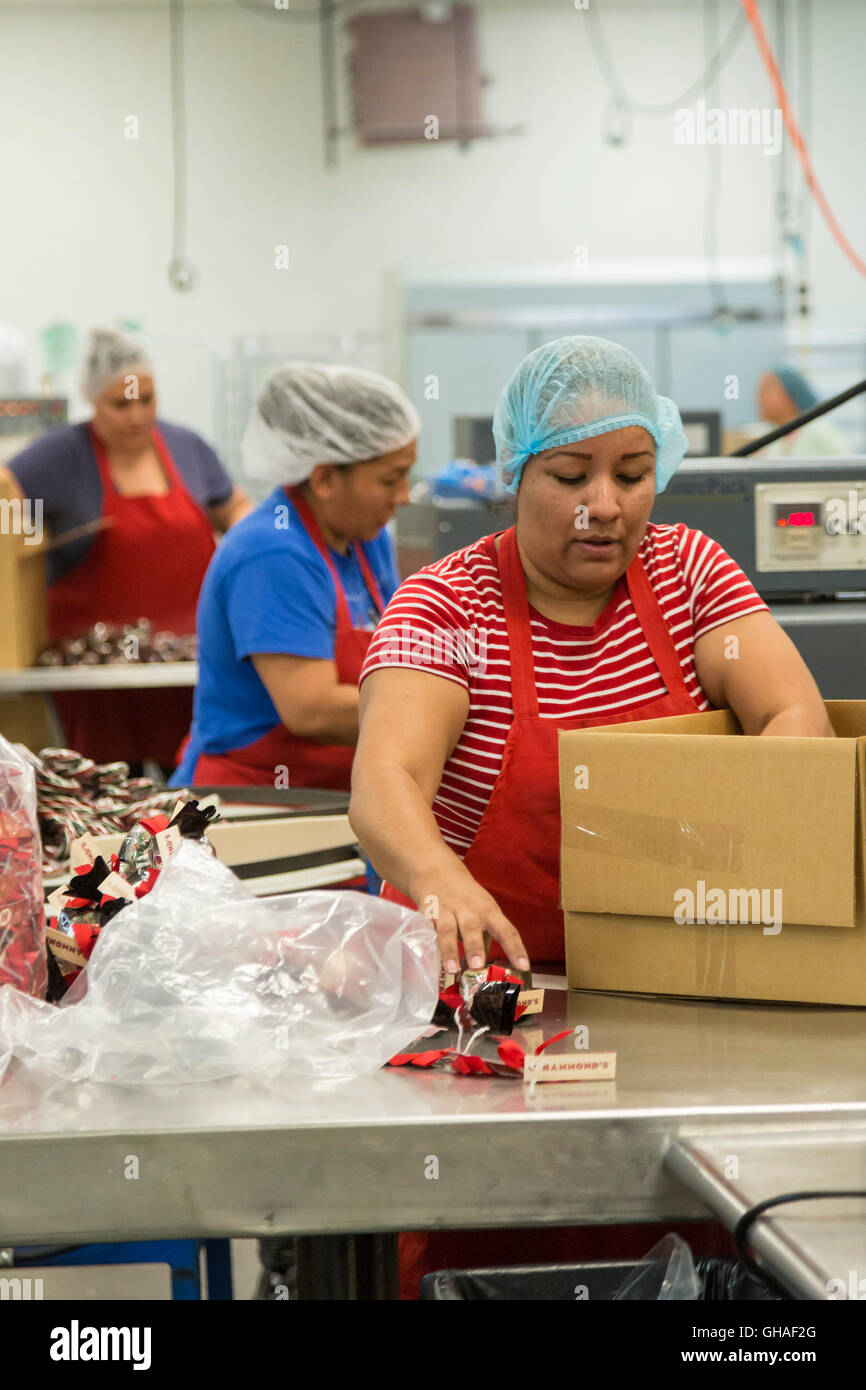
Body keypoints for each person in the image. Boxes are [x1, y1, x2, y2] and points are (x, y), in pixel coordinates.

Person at [350, 334, 836, 1298]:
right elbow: (385, 784)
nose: (605, 505)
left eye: (634, 473)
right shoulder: (451, 604)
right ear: (515, 471)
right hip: (497, 1035)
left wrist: (752, 824)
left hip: (681, 1021)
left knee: (692, 1262)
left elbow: (796, 714)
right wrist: (441, 875)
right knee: (491, 1261)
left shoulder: (688, 572)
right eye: (571, 474)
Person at [0, 327, 251, 769]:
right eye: (121, 404)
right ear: (93, 401)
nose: (137, 415)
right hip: (96, 674)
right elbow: (7, 496)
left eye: (146, 400)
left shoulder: (186, 446)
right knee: (108, 786)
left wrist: (254, 547)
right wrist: (22, 534)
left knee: (191, 783)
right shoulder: (61, 455)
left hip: (182, 664)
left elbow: (232, 506)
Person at [173, 363, 419, 788]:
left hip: (339, 789)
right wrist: (442, 709)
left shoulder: (365, 536)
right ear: (324, 478)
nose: (404, 496)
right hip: (261, 798)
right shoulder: (272, 552)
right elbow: (312, 710)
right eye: (390, 479)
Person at [756, 365, 851, 457]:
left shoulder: (820, 433)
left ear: (791, 393)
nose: (759, 398)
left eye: (766, 390)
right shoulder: (771, 439)